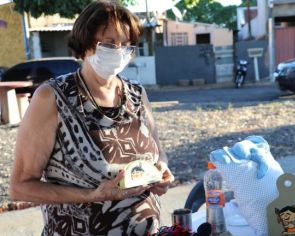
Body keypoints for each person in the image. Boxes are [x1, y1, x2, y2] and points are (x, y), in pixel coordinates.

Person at [9, 1, 174, 235]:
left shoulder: (137, 94)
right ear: (85, 44)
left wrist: (162, 169)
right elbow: (20, 187)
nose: (119, 52)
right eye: (109, 44)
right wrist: (91, 196)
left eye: (126, 45)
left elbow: (157, 150)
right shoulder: (53, 97)